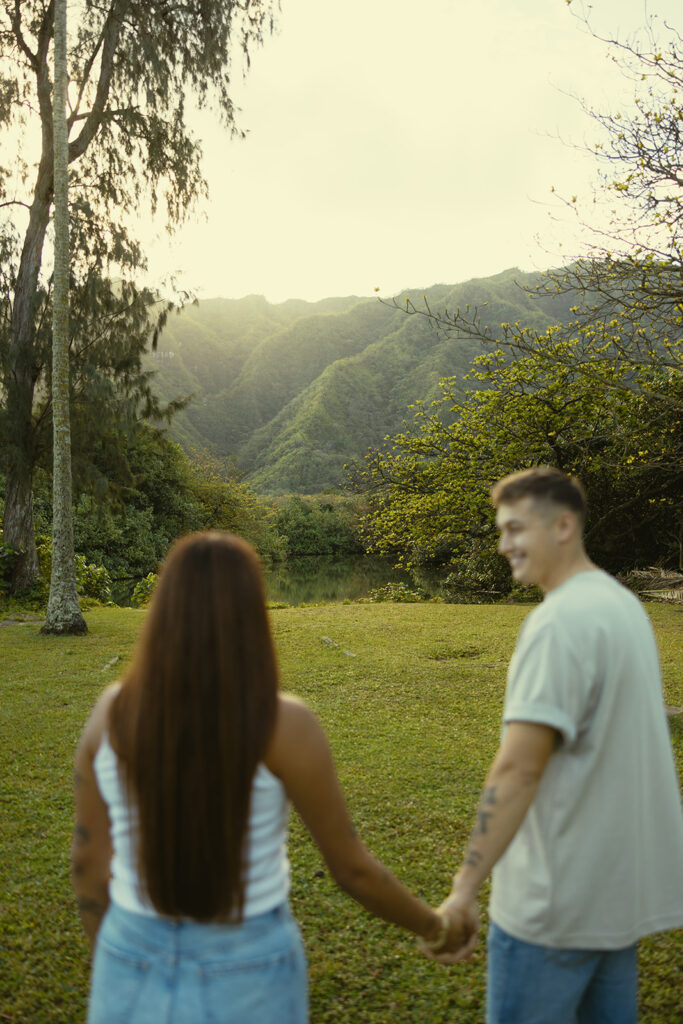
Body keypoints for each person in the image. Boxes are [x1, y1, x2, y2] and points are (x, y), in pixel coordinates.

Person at [71, 531, 468, 1024]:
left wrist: (109, 952)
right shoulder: (284, 723)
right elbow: (352, 870)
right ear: (251, 614)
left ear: (163, 611)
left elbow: (88, 858)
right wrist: (435, 926)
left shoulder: (110, 712)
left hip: (128, 945)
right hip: (249, 959)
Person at [424, 466, 683, 1024]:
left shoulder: (558, 623)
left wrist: (464, 888)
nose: (504, 545)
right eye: (501, 530)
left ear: (564, 525)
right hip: (613, 901)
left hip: (553, 904)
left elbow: (518, 770)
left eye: (516, 528)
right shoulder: (623, 606)